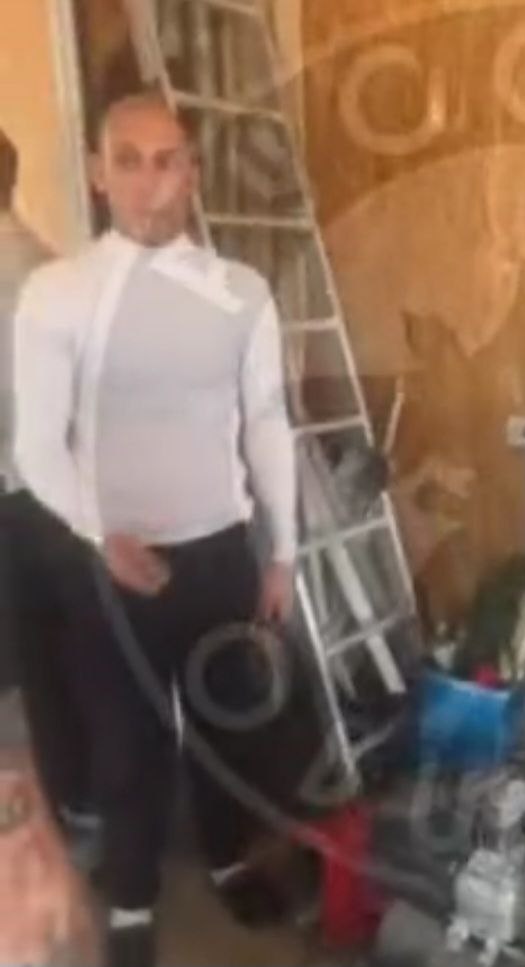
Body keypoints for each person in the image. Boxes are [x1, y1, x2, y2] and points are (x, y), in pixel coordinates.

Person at [13, 90, 298, 967]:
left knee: (225, 727)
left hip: (218, 550)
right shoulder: (56, 293)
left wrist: (284, 551)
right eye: (129, 162)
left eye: (167, 161)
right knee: (125, 738)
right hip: (111, 560)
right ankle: (132, 901)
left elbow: (266, 421)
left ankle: (227, 857)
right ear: (99, 175)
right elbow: (35, 442)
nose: (150, 182)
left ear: (192, 172)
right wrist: (98, 530)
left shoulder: (241, 293)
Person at [0, 126, 104, 864]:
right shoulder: (53, 267)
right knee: (82, 655)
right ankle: (98, 803)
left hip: (17, 498)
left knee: (41, 665)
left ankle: (76, 810)